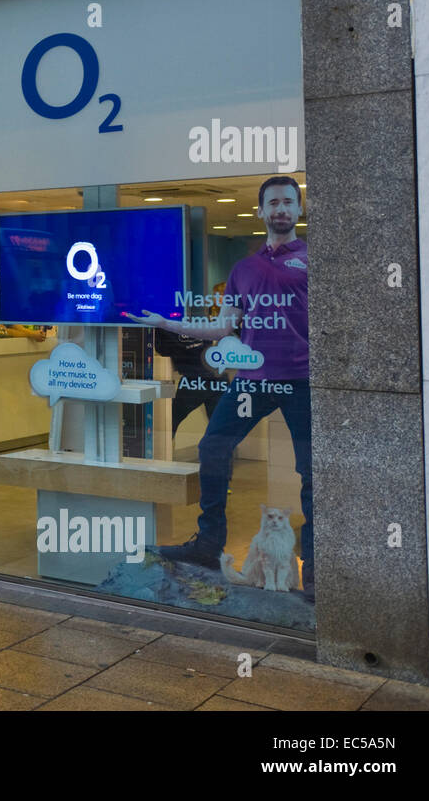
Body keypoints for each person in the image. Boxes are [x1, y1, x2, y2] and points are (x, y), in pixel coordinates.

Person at [124, 176, 311, 599]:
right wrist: (166, 323)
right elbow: (222, 326)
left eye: (288, 202)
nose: (280, 209)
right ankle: (209, 546)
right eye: (272, 203)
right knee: (213, 446)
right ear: (261, 212)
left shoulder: (314, 259)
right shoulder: (243, 269)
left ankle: (314, 565)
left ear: (298, 210)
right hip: (253, 382)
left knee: (310, 472)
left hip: (302, 381)